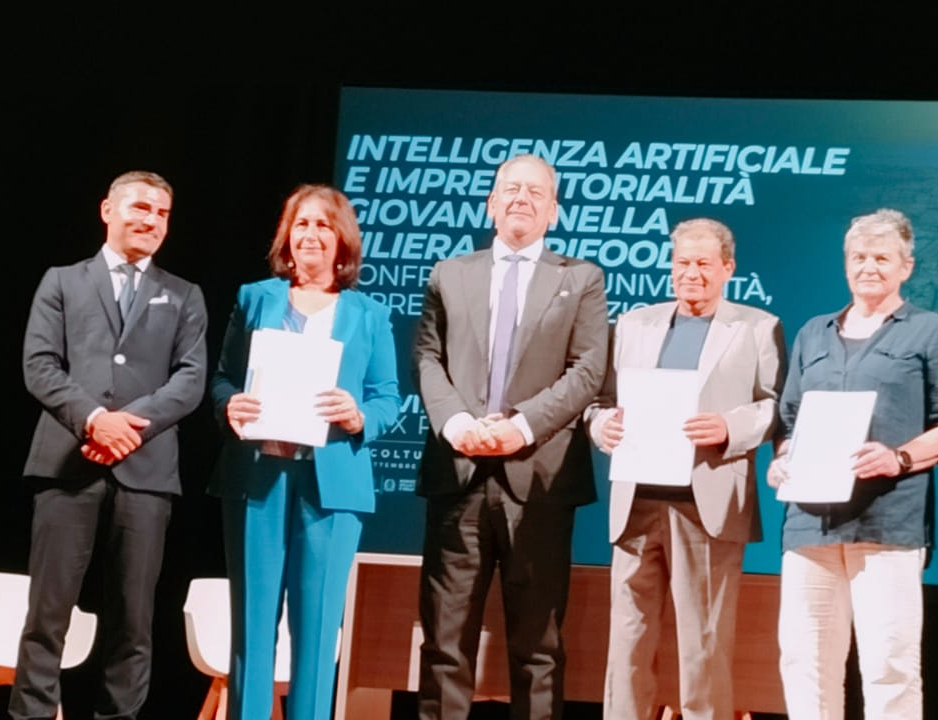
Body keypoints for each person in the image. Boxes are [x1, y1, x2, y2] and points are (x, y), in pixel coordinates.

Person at [412, 153, 609, 720]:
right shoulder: (449, 273)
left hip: (540, 479)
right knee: (445, 644)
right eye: (511, 189)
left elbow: (588, 370)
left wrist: (519, 428)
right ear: (491, 204)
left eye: (535, 192)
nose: (522, 198)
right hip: (458, 475)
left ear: (554, 211)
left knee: (538, 648)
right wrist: (458, 425)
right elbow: (427, 356)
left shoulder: (581, 279)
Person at [13, 170, 208, 720]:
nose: (151, 220)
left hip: (146, 473)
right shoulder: (61, 281)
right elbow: (39, 365)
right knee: (48, 615)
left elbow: (190, 380)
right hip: (67, 463)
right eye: (140, 207)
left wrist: (127, 428)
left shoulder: (184, 294)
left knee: (133, 620)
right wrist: (96, 420)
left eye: (162, 213)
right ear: (107, 210)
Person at [208, 184, 401, 720]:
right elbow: (222, 379)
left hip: (332, 487)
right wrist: (229, 405)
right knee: (252, 627)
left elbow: (388, 397)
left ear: (343, 240)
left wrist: (359, 416)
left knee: (316, 633)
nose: (311, 234)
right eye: (301, 224)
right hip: (257, 480)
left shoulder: (368, 313)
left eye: (323, 225)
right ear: (286, 236)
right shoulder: (255, 299)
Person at [587, 218, 785, 720]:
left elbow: (775, 405)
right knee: (627, 640)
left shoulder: (757, 327)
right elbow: (600, 402)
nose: (690, 273)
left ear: (727, 268)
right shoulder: (634, 325)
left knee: (704, 643)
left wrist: (728, 426)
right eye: (681, 263)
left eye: (702, 263)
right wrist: (602, 426)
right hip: (636, 501)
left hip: (707, 503)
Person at [768, 209, 938, 720]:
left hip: (887, 524)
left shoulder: (928, 331)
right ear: (845, 263)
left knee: (889, 667)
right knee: (805, 662)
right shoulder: (814, 333)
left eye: (881, 257)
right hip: (809, 523)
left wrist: (898, 458)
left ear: (906, 267)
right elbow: (788, 422)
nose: (868, 267)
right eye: (858, 257)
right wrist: (782, 461)